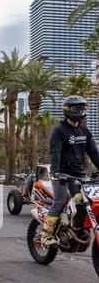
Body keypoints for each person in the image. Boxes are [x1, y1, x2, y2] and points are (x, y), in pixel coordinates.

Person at [41, 95, 99, 246]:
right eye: (77, 108)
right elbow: (55, 152)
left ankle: (76, 227)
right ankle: (46, 234)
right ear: (68, 110)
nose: (80, 111)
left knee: (85, 203)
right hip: (62, 174)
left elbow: (94, 153)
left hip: (79, 174)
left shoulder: (84, 131)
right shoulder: (59, 131)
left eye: (82, 108)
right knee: (60, 201)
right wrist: (55, 172)